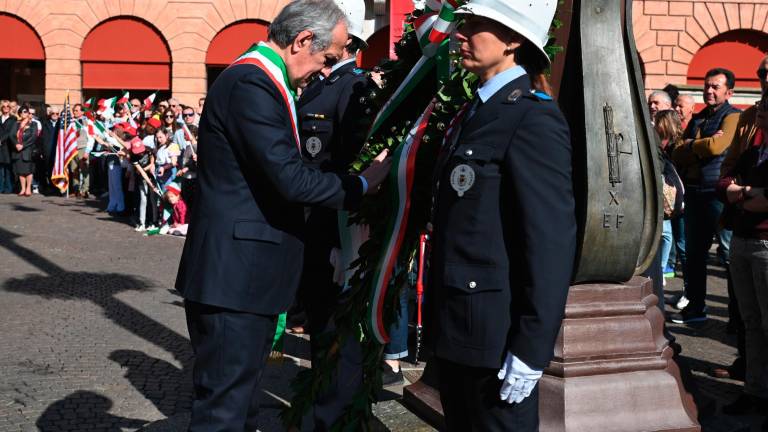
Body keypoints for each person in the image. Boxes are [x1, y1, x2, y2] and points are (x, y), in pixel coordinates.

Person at [173, 0, 390, 429]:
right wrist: (363, 183)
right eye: (327, 58)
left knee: (240, 405)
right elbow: (290, 180)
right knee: (225, 412)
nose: (325, 71)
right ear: (303, 40)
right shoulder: (252, 83)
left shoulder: (260, 80)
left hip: (243, 279)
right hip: (234, 281)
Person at [427, 1, 576, 430]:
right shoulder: (475, 109)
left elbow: (549, 242)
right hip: (458, 326)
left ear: (513, 41)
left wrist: (531, 348)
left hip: (495, 336)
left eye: (476, 25)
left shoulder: (531, 117)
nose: (461, 32)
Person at [293, 0, 376, 426]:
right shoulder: (316, 86)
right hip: (312, 225)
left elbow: (354, 165)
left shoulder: (354, 87)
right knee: (321, 323)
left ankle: (335, 415)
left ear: (345, 45)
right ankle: (322, 406)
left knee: (334, 331)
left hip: (333, 230)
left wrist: (347, 241)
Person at [671, 68, 742, 324]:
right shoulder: (699, 118)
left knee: (727, 255)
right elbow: (677, 151)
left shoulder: (734, 117)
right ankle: (696, 308)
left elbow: (718, 146)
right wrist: (696, 145)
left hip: (717, 194)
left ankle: (737, 316)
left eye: (715, 87)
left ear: (729, 92)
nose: (709, 91)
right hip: (694, 192)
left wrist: (692, 145)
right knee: (694, 254)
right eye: (707, 86)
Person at [716, 95, 768, 427]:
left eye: (766, 108)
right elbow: (724, 179)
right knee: (750, 323)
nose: (760, 112)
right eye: (762, 107)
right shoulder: (753, 151)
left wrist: (748, 193)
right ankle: (754, 390)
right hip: (741, 242)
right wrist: (745, 191)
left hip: (765, 245)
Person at [655, 110, 685, 286]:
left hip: (674, 195)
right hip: (671, 195)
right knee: (667, 233)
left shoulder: (675, 145)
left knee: (671, 235)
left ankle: (664, 267)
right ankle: (662, 268)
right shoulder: (661, 142)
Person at [11, 105, 38, 196]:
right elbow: (11, 135)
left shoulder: (33, 124)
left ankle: (28, 188)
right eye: (23, 112)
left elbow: (33, 137)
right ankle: (22, 189)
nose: (25, 113)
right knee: (21, 171)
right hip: (18, 150)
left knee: (28, 171)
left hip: (28, 150)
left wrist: (23, 145)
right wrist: (16, 144)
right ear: (20, 114)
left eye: (26, 112)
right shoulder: (16, 124)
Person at [0, 100, 17, 194]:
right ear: (1, 108)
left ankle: (8, 188)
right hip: (0, 147)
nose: (6, 108)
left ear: (10, 108)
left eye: (8, 106)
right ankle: (0, 187)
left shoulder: (13, 119)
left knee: (8, 168)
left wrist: (1, 140)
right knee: (0, 168)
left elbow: (11, 132)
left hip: (8, 146)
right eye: (4, 106)